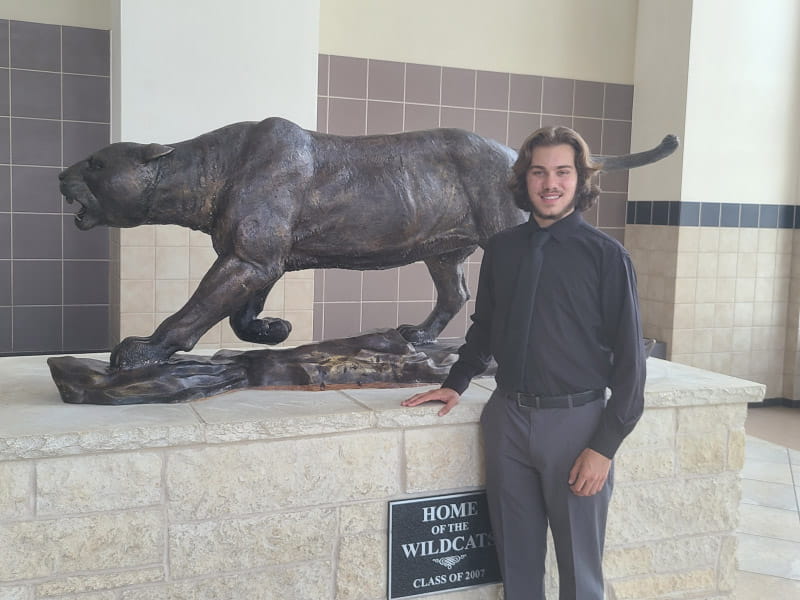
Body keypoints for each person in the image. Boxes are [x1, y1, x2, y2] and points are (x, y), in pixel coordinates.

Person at [402, 126, 645, 600]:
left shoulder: (607, 257)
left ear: (580, 180)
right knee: (516, 562)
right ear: (523, 179)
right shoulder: (503, 249)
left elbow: (633, 365)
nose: (549, 183)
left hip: (576, 426)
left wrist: (605, 446)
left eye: (562, 172)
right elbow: (486, 327)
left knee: (580, 571)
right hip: (507, 420)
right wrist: (456, 382)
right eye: (538, 172)